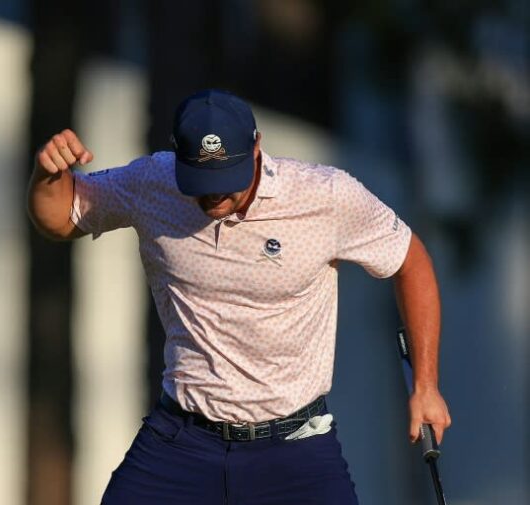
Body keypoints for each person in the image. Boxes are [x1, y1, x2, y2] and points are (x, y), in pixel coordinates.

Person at [27, 89, 451, 504]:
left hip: (295, 451)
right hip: (182, 443)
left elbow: (410, 261)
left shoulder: (326, 196)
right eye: (201, 179)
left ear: (256, 149)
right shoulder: (152, 182)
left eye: (226, 178)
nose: (215, 195)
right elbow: (62, 217)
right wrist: (49, 175)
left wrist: (426, 385)